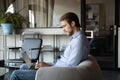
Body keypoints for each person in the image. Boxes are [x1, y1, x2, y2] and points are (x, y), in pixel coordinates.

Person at [10, 12, 90, 80]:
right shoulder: (75, 39)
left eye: (64, 26)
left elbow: (69, 68)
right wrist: (49, 65)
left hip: (55, 74)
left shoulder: (79, 42)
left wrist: (48, 67)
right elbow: (66, 63)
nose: (63, 29)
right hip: (55, 68)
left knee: (15, 74)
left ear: (72, 23)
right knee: (24, 66)